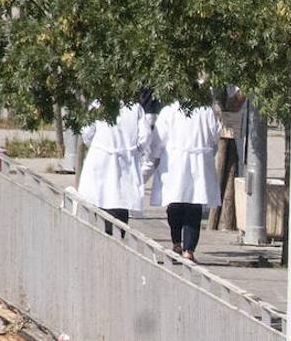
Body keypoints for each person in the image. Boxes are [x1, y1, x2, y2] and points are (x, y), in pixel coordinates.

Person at [150, 100, 221, 262]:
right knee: (193, 205)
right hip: (198, 162)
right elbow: (216, 134)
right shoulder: (206, 110)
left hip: (175, 161)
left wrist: (154, 158)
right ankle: (188, 250)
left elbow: (158, 139)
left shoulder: (169, 110)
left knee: (175, 203)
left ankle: (176, 243)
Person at [76, 101, 155, 236]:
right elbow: (146, 135)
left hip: (99, 161)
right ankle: (117, 238)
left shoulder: (98, 103)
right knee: (120, 200)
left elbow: (86, 133)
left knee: (99, 198)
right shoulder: (135, 108)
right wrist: (135, 150)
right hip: (125, 161)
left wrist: (98, 146)